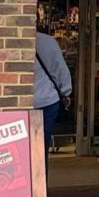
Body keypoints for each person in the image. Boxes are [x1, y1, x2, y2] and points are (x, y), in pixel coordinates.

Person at [32, 21, 72, 152]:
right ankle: (41, 172)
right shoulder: (47, 41)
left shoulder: (12, 41)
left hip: (19, 102)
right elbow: (60, 69)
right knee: (41, 149)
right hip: (47, 99)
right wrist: (66, 92)